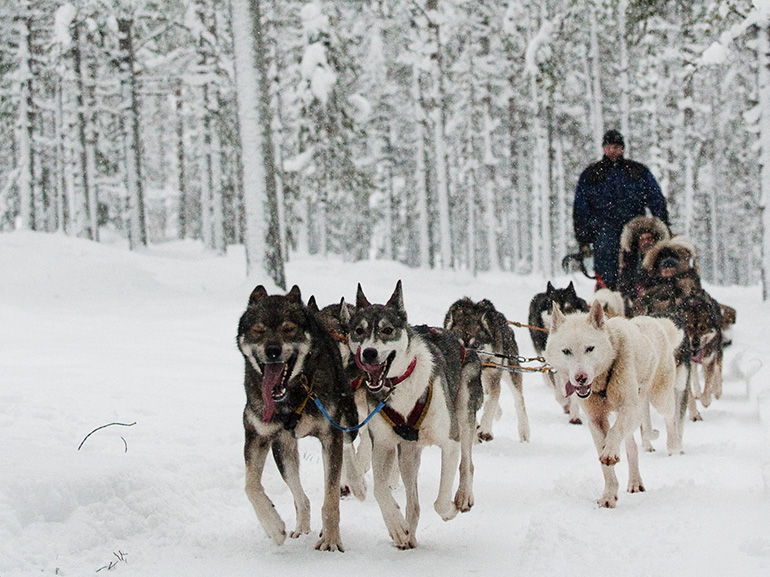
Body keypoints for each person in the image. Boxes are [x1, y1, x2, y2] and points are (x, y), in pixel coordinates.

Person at [573, 129, 669, 291]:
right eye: (609, 147)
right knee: (606, 275)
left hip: (634, 230)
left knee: (639, 272)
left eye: (616, 147)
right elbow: (581, 208)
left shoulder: (637, 172)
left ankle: (635, 301)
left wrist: (661, 224)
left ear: (622, 148)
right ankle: (608, 303)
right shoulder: (591, 175)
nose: (612, 151)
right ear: (603, 148)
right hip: (604, 230)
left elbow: (656, 198)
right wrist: (583, 237)